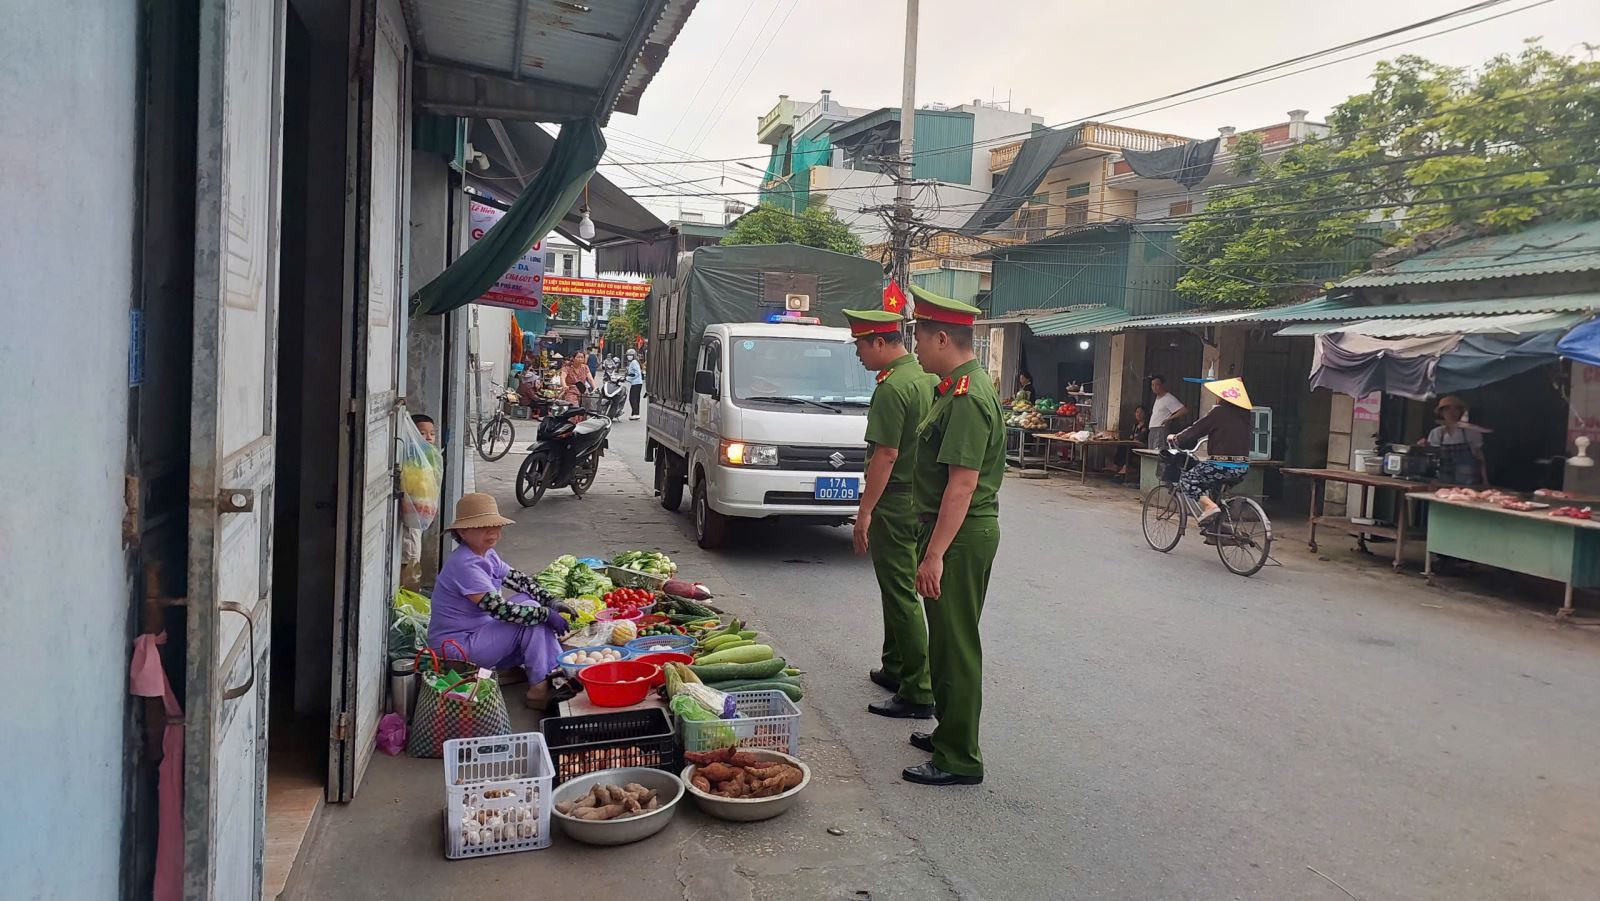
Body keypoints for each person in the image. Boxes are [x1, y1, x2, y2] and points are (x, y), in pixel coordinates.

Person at [903, 286, 1004, 787]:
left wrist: (934, 554)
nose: (914, 348)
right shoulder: (954, 388)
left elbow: (962, 486)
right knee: (944, 643)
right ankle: (949, 731)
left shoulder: (966, 398)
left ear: (943, 338)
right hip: (954, 532)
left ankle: (960, 757)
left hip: (958, 537)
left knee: (956, 645)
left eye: (918, 338)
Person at [844, 307, 937, 722]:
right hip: (920, 499)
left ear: (880, 343)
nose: (859, 355)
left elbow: (885, 454)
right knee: (896, 588)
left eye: (861, 346)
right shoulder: (927, 379)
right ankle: (896, 666)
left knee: (900, 594)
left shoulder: (892, 387)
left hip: (895, 501)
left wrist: (864, 513)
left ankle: (918, 691)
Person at [428, 493, 576, 710]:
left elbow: (519, 580)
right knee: (533, 614)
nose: (492, 532)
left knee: (530, 601)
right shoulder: (464, 564)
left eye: (496, 526)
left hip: (479, 634)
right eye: (482, 527)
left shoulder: (487, 555)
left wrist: (551, 601)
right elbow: (500, 611)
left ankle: (549, 671)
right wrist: (545, 614)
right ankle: (539, 687)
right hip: (457, 649)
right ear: (462, 532)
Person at [1166, 378, 1254, 524]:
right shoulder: (1245, 414)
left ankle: (1210, 506)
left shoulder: (1219, 412)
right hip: (1241, 468)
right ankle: (1216, 528)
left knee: (1187, 480)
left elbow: (1196, 430)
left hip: (1220, 466)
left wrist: (1176, 438)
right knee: (1215, 488)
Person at [401, 413, 438, 590]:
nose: (429, 437)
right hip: (410, 518)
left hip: (418, 519)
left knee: (414, 555)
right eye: (422, 433)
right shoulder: (410, 457)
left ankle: (409, 592)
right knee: (410, 556)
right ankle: (406, 593)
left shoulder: (428, 457)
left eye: (432, 433)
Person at [1418, 394, 1488, 486]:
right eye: (1447, 409)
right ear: (1441, 413)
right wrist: (1423, 448)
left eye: (1455, 409)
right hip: (1443, 481)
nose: (1451, 412)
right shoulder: (1437, 433)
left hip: (1467, 484)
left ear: (1460, 412)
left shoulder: (1471, 432)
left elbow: (1480, 458)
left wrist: (1485, 482)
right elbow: (1432, 460)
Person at [1147, 374, 1188, 453]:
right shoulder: (1158, 398)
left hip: (1160, 430)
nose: (1154, 387)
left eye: (1157, 385)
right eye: (1152, 385)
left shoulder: (1168, 398)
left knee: (1159, 453)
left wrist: (1170, 418)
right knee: (1151, 453)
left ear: (1162, 385)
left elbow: (1184, 410)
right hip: (1152, 430)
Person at [1114, 405, 1149, 482]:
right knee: (1122, 446)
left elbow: (1141, 438)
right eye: (1137, 412)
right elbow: (1131, 437)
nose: (1138, 414)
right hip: (1133, 444)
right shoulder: (1135, 425)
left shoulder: (1147, 426)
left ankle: (1126, 468)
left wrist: (1135, 440)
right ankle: (1117, 466)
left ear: (1145, 414)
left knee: (1129, 448)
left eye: (1141, 412)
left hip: (1142, 447)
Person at [626, 349, 644, 420]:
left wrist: (628, 379)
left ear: (634, 355)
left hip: (636, 383)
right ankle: (635, 413)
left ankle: (636, 413)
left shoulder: (634, 362)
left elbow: (637, 373)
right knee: (636, 399)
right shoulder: (634, 362)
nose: (628, 357)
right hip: (637, 383)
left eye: (630, 355)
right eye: (628, 355)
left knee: (632, 398)